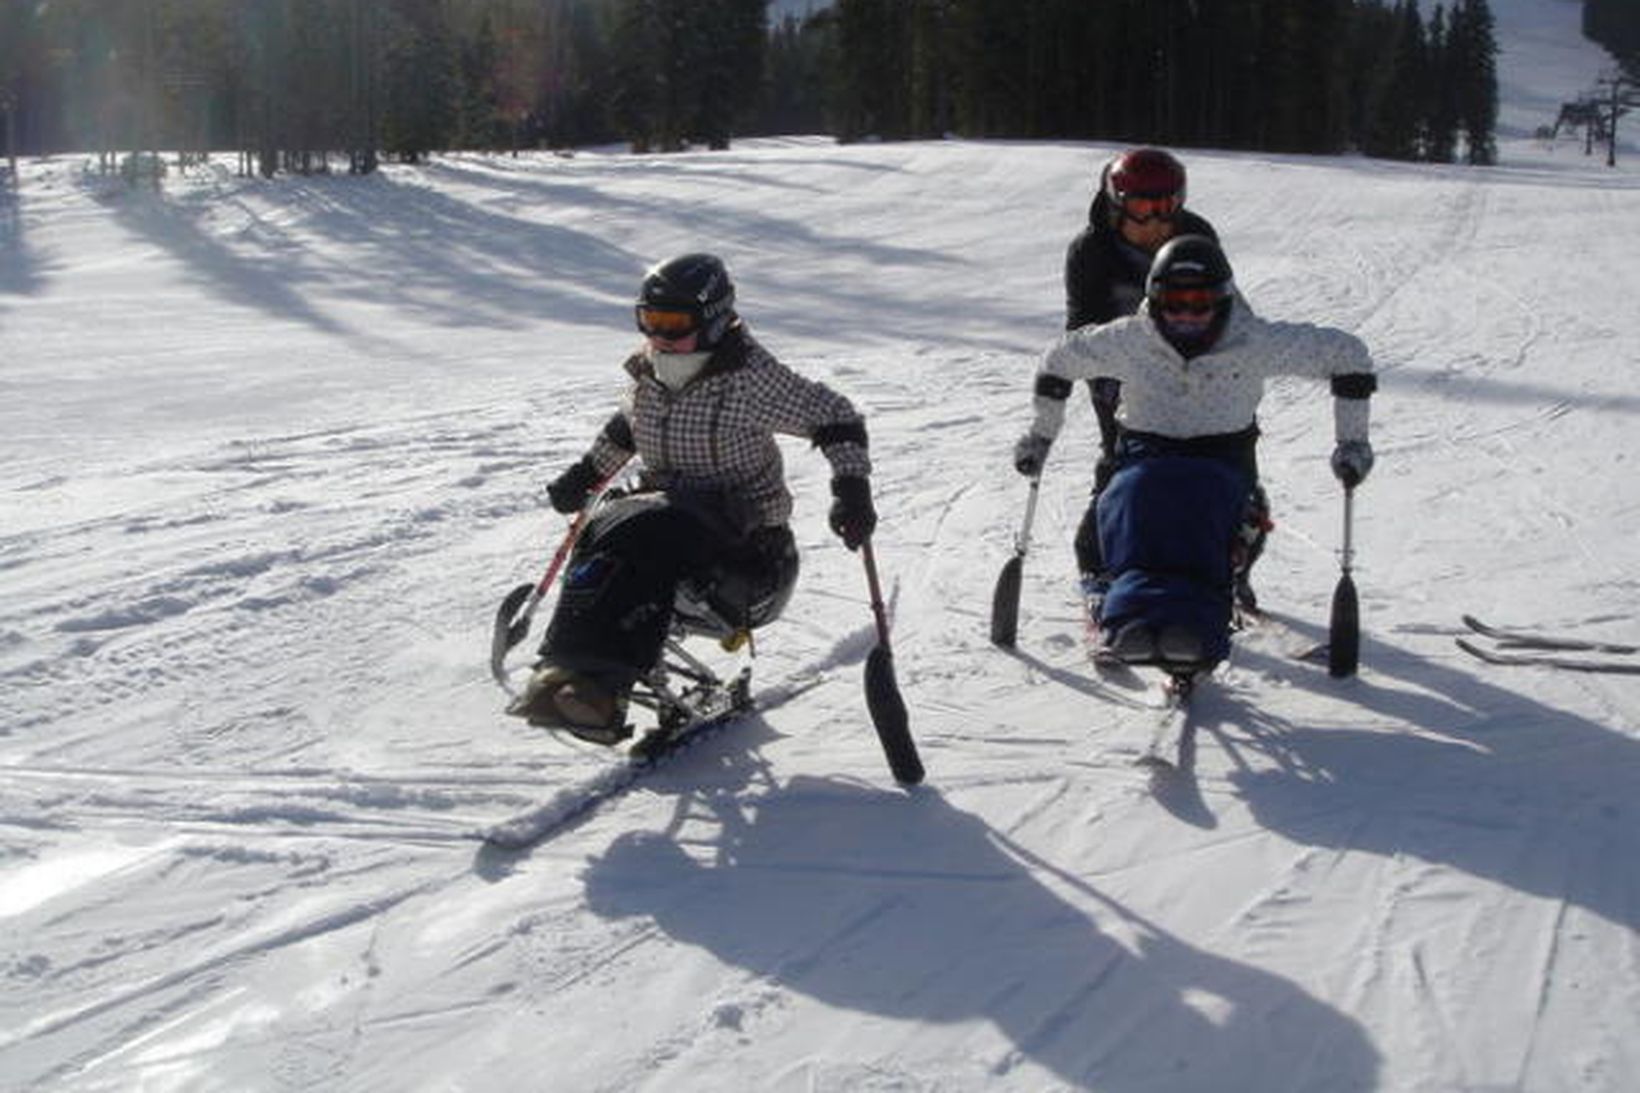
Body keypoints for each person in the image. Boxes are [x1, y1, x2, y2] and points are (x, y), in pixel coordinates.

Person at [507, 253, 877, 743]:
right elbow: (627, 429)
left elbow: (836, 417)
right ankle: (562, 672)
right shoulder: (650, 374)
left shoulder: (748, 377)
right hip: (669, 527)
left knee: (652, 526)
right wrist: (585, 474)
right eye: (650, 322)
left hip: (750, 556)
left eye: (673, 324)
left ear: (715, 318)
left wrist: (851, 490)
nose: (659, 336)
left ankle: (600, 691)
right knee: (603, 525)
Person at [1014, 235, 1376, 668]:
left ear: (1222, 300)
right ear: (1153, 298)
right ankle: (1118, 597)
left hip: (1222, 454)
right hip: (1146, 450)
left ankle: (1216, 594)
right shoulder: (1131, 339)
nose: (1186, 315)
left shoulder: (1253, 340)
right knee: (1131, 501)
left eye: (1199, 303)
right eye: (1174, 302)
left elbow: (1349, 356)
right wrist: (1041, 433)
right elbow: (1060, 361)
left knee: (1218, 509)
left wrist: (1352, 442)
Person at [1060, 148, 1274, 607]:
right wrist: (1104, 380)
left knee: (1235, 478)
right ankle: (1099, 571)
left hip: (1207, 372)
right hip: (1126, 373)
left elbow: (1228, 308)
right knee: (1122, 473)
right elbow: (1080, 327)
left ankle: (1233, 568)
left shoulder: (1197, 236)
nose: (1157, 222)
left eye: (1167, 206)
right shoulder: (1091, 251)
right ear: (1116, 203)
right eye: (1142, 207)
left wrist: (1239, 365)